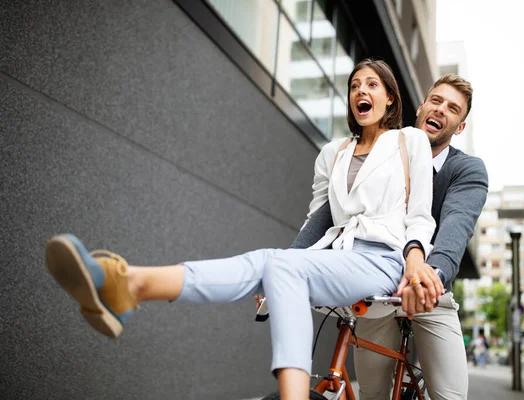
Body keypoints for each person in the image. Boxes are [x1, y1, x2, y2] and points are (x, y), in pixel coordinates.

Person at [45, 58, 443, 400]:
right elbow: (316, 221)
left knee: (281, 266)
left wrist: (415, 264)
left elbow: (421, 216)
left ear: (389, 97)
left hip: (383, 259)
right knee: (269, 261)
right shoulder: (332, 154)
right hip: (335, 257)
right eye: (355, 85)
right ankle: (129, 284)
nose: (362, 90)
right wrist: (278, 276)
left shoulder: (410, 141)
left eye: (372, 84)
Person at [291, 73, 488, 399]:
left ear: (460, 126)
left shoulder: (466, 170)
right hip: (375, 287)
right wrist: (288, 262)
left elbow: (456, 225)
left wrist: (431, 276)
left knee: (450, 396)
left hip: (427, 293)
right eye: (436, 101)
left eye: (452, 109)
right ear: (422, 106)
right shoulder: (383, 152)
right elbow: (324, 217)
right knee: (373, 393)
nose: (440, 110)